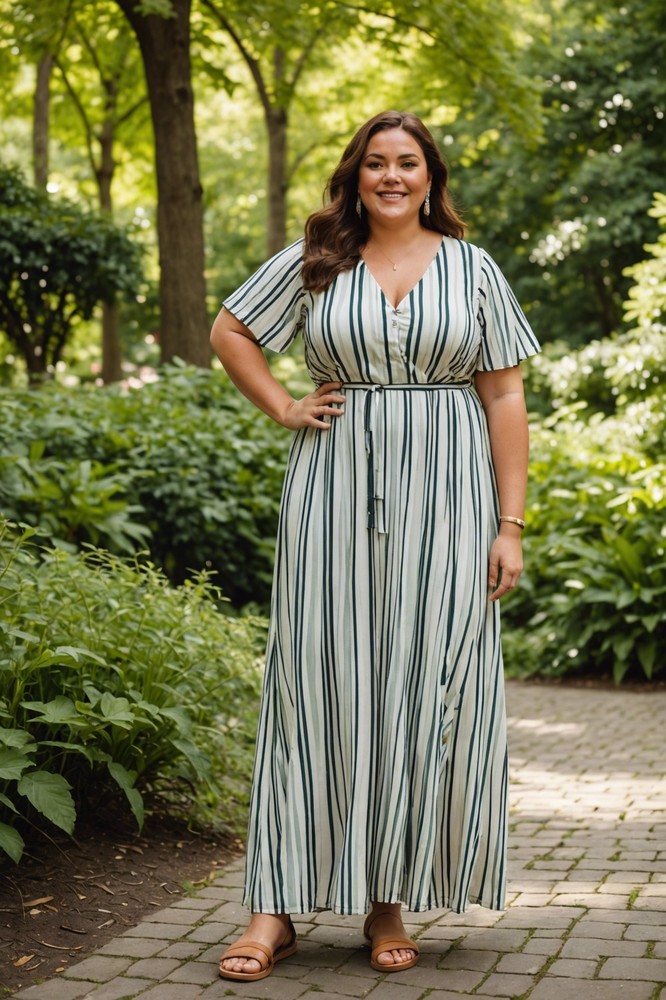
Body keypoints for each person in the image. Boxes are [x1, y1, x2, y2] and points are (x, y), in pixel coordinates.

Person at [210, 109, 540, 983]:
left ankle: (385, 900)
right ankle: (270, 910)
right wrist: (285, 406)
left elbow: (504, 397)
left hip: (451, 495)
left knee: (417, 687)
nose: (391, 177)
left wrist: (510, 524)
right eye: (375, 164)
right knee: (313, 678)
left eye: (408, 162)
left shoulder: (472, 269)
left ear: (432, 175)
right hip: (333, 487)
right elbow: (230, 331)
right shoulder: (316, 261)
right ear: (355, 176)